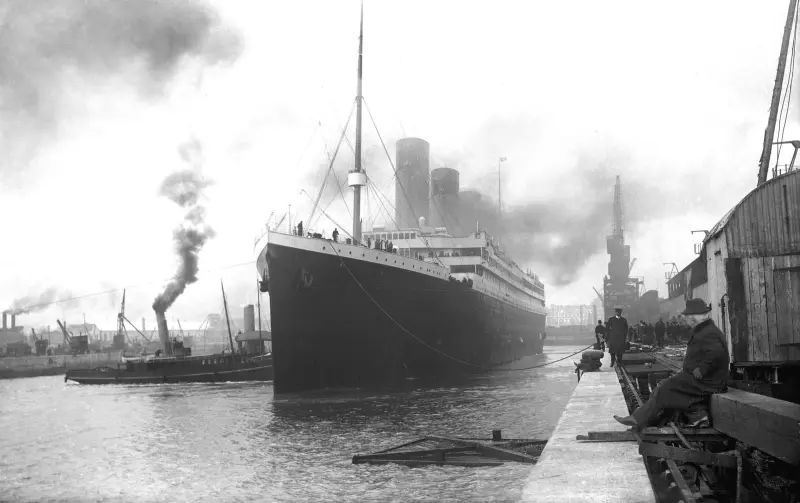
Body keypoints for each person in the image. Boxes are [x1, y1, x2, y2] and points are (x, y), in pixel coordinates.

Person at [614, 298, 729, 429]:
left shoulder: (708, 332)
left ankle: (639, 419)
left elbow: (716, 353)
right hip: (706, 378)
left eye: (687, 317)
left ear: (694, 318)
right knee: (666, 389)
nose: (685, 319)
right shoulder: (705, 330)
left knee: (664, 388)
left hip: (708, 381)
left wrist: (702, 369)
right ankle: (697, 416)